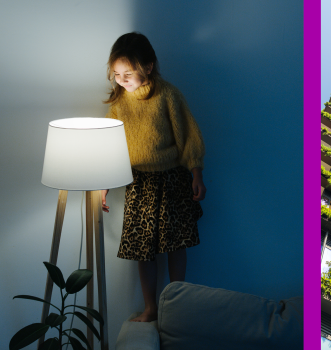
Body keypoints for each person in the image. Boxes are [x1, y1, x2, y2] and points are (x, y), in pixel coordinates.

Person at [100, 32, 206, 323]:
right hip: (139, 184)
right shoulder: (119, 105)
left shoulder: (168, 95)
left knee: (175, 244)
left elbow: (189, 137)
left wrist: (196, 173)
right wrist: (104, 186)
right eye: (117, 74)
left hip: (172, 179)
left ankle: (177, 306)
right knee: (142, 249)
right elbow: (110, 147)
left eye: (128, 73)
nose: (122, 79)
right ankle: (150, 308)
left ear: (147, 67)